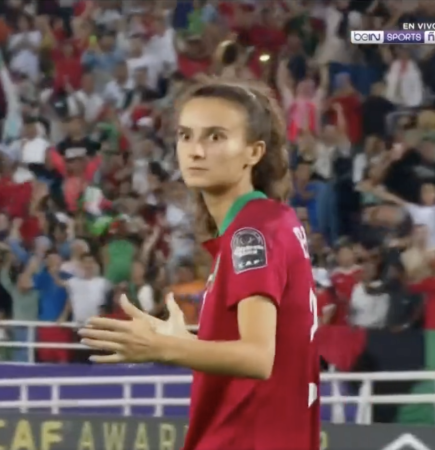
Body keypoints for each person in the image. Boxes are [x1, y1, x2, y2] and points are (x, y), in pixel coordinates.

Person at [79, 79, 320, 450]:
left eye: (216, 137)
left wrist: (165, 350)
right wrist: (186, 342)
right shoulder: (274, 220)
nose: (195, 151)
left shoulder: (251, 232)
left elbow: (258, 357)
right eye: (185, 136)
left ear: (253, 152)